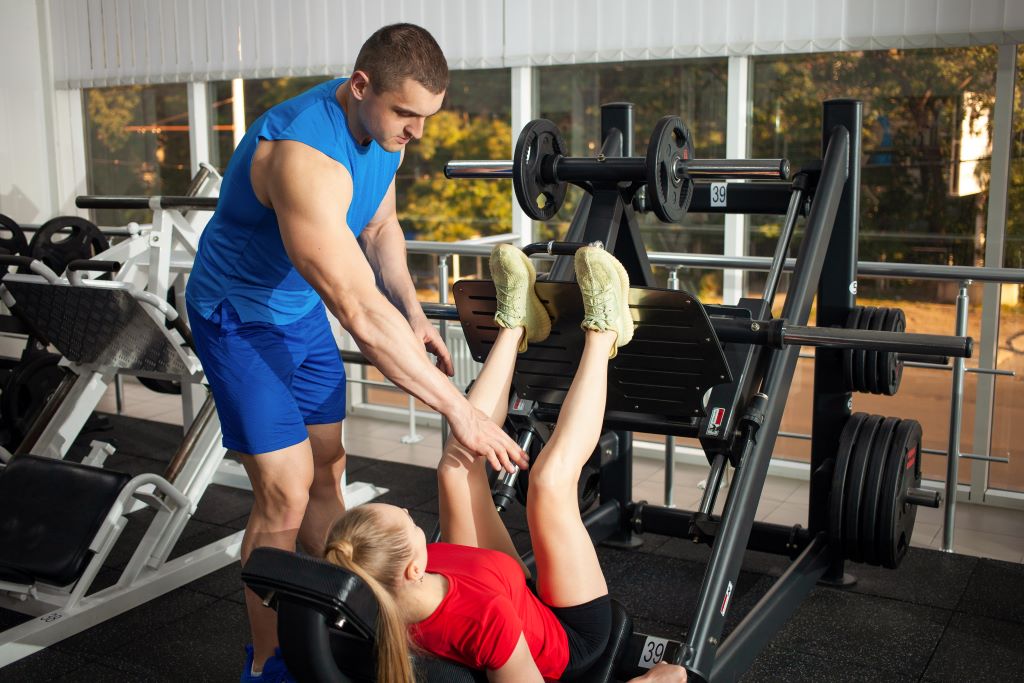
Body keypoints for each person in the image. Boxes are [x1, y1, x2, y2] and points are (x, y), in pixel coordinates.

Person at [184, 24, 527, 683]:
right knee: (284, 495)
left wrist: (413, 308)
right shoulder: (301, 155)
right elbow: (357, 311)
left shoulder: (386, 133)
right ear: (360, 85)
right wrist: (462, 411)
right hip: (238, 315)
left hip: (298, 312)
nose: (417, 132)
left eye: (427, 117)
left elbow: (379, 226)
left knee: (329, 469)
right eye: (406, 114)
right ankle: (264, 660)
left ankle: (351, 616)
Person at [324, 245, 686, 682]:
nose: (407, 511)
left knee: (454, 469)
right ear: (415, 568)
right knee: (550, 483)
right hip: (570, 639)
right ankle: (605, 334)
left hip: (495, 590)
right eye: (407, 523)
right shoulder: (486, 621)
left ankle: (513, 327)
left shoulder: (381, 581)